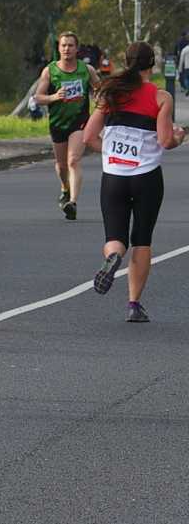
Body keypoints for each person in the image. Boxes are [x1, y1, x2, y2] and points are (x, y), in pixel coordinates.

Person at [83, 41, 185, 322]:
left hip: (114, 176)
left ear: (127, 62)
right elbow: (165, 141)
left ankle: (113, 256)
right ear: (151, 65)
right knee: (142, 238)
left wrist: (114, 152)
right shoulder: (161, 97)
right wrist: (180, 135)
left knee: (115, 237)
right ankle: (133, 304)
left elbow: (88, 138)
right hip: (147, 177)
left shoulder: (110, 93)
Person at [34, 31, 102, 220]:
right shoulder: (50, 70)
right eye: (63, 45)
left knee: (73, 160)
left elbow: (99, 88)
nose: (66, 49)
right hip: (57, 123)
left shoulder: (86, 69)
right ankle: (65, 187)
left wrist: (99, 98)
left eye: (70, 45)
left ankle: (72, 202)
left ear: (77, 48)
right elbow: (38, 97)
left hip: (79, 122)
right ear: (59, 48)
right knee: (61, 165)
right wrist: (54, 97)